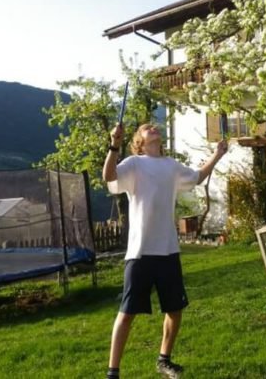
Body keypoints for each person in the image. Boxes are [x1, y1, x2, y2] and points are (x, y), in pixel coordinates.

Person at [103, 122, 228, 379]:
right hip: (140, 252)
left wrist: (217, 154)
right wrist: (114, 144)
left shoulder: (171, 166)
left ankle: (164, 360)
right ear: (138, 139)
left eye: (155, 126)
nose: (153, 127)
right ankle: (112, 372)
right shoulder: (133, 164)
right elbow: (109, 176)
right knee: (127, 313)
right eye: (147, 127)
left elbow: (197, 176)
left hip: (168, 250)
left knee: (175, 310)